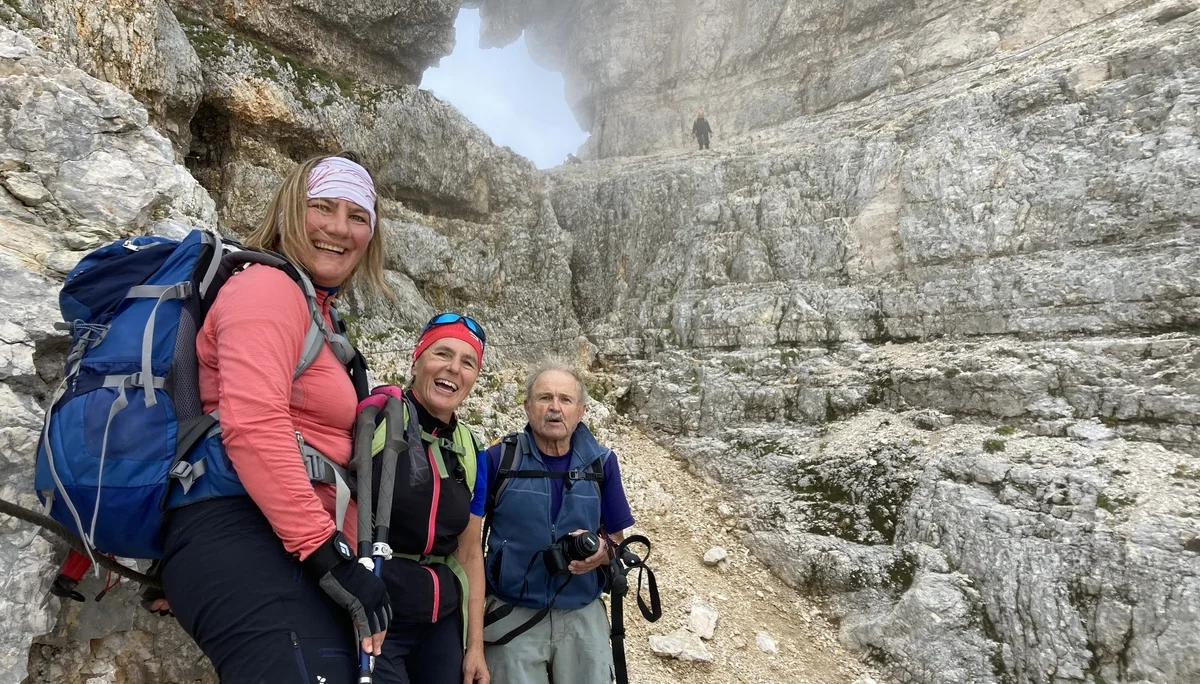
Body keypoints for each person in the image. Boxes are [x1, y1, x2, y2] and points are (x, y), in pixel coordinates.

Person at [160, 152, 393, 684]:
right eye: (323, 207)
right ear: (291, 210)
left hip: (281, 543)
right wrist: (328, 559)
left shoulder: (317, 315)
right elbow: (253, 423)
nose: (339, 228)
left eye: (358, 217)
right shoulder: (267, 290)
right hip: (243, 531)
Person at [481, 360, 636, 684]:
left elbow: (617, 539)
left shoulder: (602, 464)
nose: (555, 408)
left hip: (582, 613)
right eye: (544, 398)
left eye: (565, 400)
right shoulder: (498, 459)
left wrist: (603, 553)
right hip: (511, 615)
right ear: (526, 406)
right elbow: (467, 541)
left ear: (581, 410)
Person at [370, 313, 491, 684]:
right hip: (378, 613)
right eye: (442, 353)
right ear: (417, 358)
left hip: (441, 622)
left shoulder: (471, 451)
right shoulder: (375, 420)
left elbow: (469, 554)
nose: (454, 368)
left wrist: (475, 649)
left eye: (467, 362)